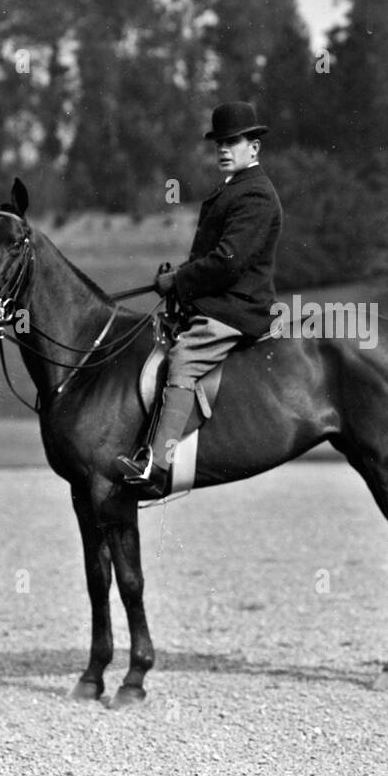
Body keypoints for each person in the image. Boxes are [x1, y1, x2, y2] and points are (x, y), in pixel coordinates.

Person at [113, 101, 283, 498]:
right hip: (218, 301)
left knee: (183, 357)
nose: (225, 149)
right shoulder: (233, 189)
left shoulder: (254, 194)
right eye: (220, 143)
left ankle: (157, 464)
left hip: (237, 307)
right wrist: (179, 282)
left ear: (254, 147)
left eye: (234, 141)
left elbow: (228, 262)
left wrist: (179, 280)